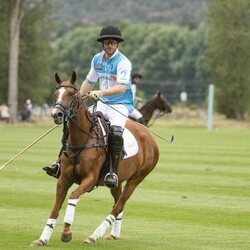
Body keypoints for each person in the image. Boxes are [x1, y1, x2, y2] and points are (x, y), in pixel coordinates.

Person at [43, 25, 134, 188]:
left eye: (113, 43)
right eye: (107, 43)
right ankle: (59, 163)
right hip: (102, 103)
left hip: (120, 105)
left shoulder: (123, 62)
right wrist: (79, 100)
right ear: (102, 44)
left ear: (117, 44)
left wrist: (101, 93)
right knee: (73, 122)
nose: (110, 45)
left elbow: (122, 87)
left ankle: (112, 172)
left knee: (116, 132)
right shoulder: (97, 59)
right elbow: (89, 82)